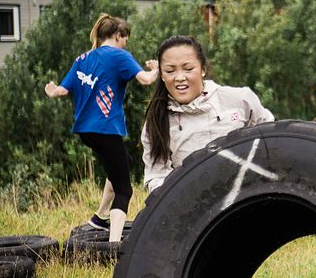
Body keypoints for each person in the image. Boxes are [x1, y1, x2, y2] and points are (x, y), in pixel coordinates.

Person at [44, 14, 159, 242]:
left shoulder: (83, 58)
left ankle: (99, 218)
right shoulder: (119, 56)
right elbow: (146, 80)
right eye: (126, 38)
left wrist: (51, 89)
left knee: (122, 163)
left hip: (86, 131)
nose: (127, 43)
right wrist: (156, 68)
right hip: (106, 129)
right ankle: (114, 246)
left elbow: (62, 91)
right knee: (125, 189)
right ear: (118, 35)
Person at [141, 35, 274, 192]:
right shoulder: (157, 123)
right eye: (170, 71)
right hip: (194, 209)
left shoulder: (240, 100)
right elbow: (156, 177)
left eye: (188, 69)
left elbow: (273, 141)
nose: (179, 78)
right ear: (162, 75)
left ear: (203, 69)